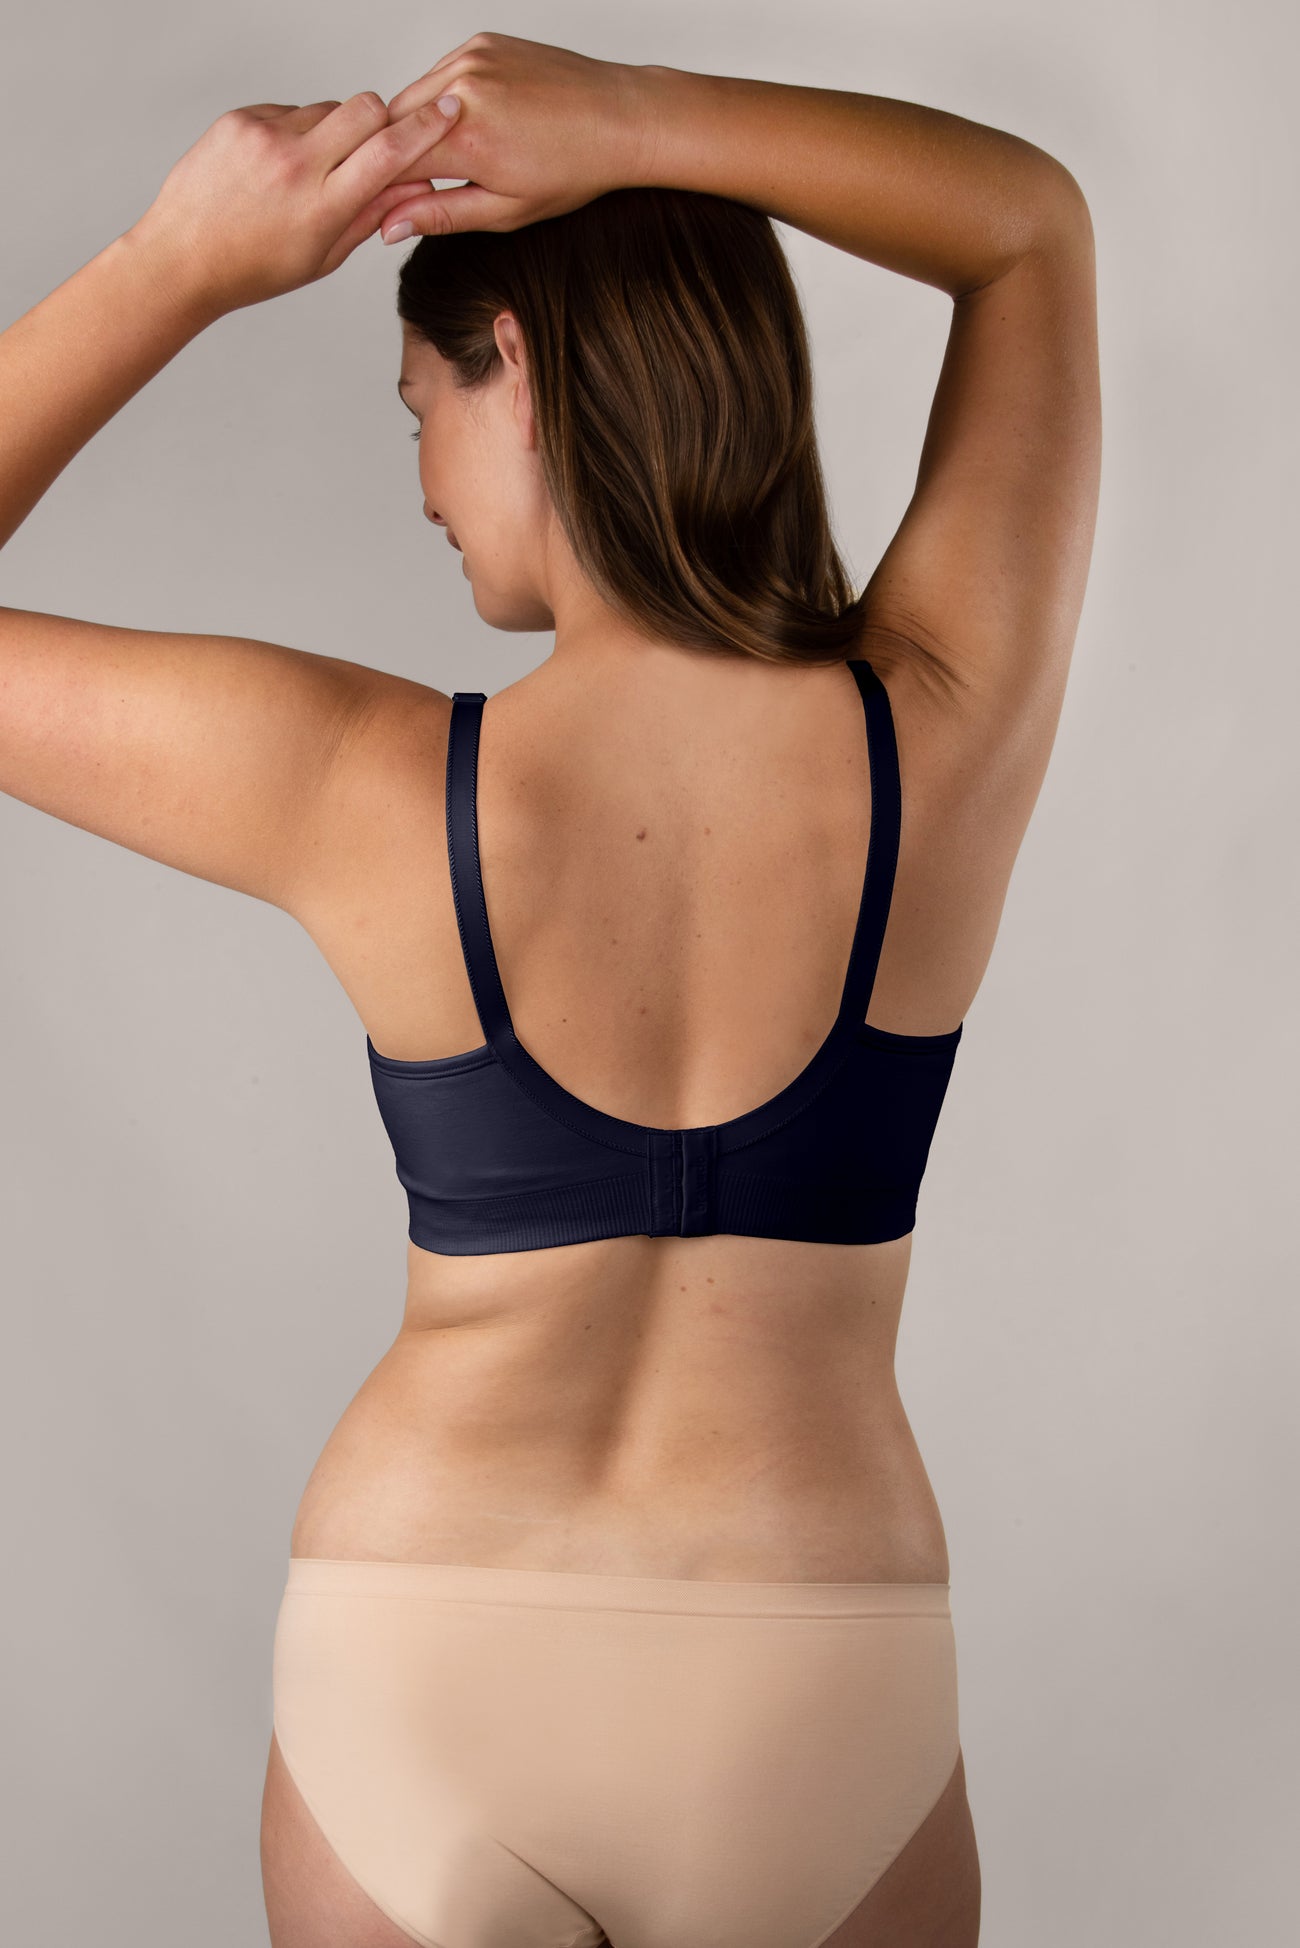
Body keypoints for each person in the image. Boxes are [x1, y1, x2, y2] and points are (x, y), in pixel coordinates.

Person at [0, 30, 1100, 1948]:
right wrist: (641, 123)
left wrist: (182, 259)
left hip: (426, 1652)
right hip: (812, 1668)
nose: (422, 482)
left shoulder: (362, 785)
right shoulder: (935, 738)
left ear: (512, 361)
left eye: (417, 405)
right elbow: (1028, 230)